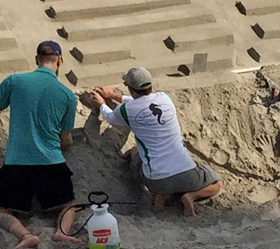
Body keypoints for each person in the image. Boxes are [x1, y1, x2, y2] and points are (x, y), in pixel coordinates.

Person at [0, 39, 82, 249]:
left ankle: (24, 235)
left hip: (17, 164)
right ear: (60, 61)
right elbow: (65, 139)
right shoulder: (67, 95)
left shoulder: (15, 81)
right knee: (67, 206)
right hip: (52, 163)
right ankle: (62, 232)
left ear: (36, 59)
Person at [85, 67, 222, 217]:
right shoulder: (165, 97)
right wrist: (114, 96)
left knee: (135, 152)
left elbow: (111, 117)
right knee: (217, 183)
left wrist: (101, 103)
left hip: (156, 180)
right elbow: (142, 103)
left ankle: (160, 196)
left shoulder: (127, 109)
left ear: (130, 88)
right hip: (186, 174)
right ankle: (190, 196)